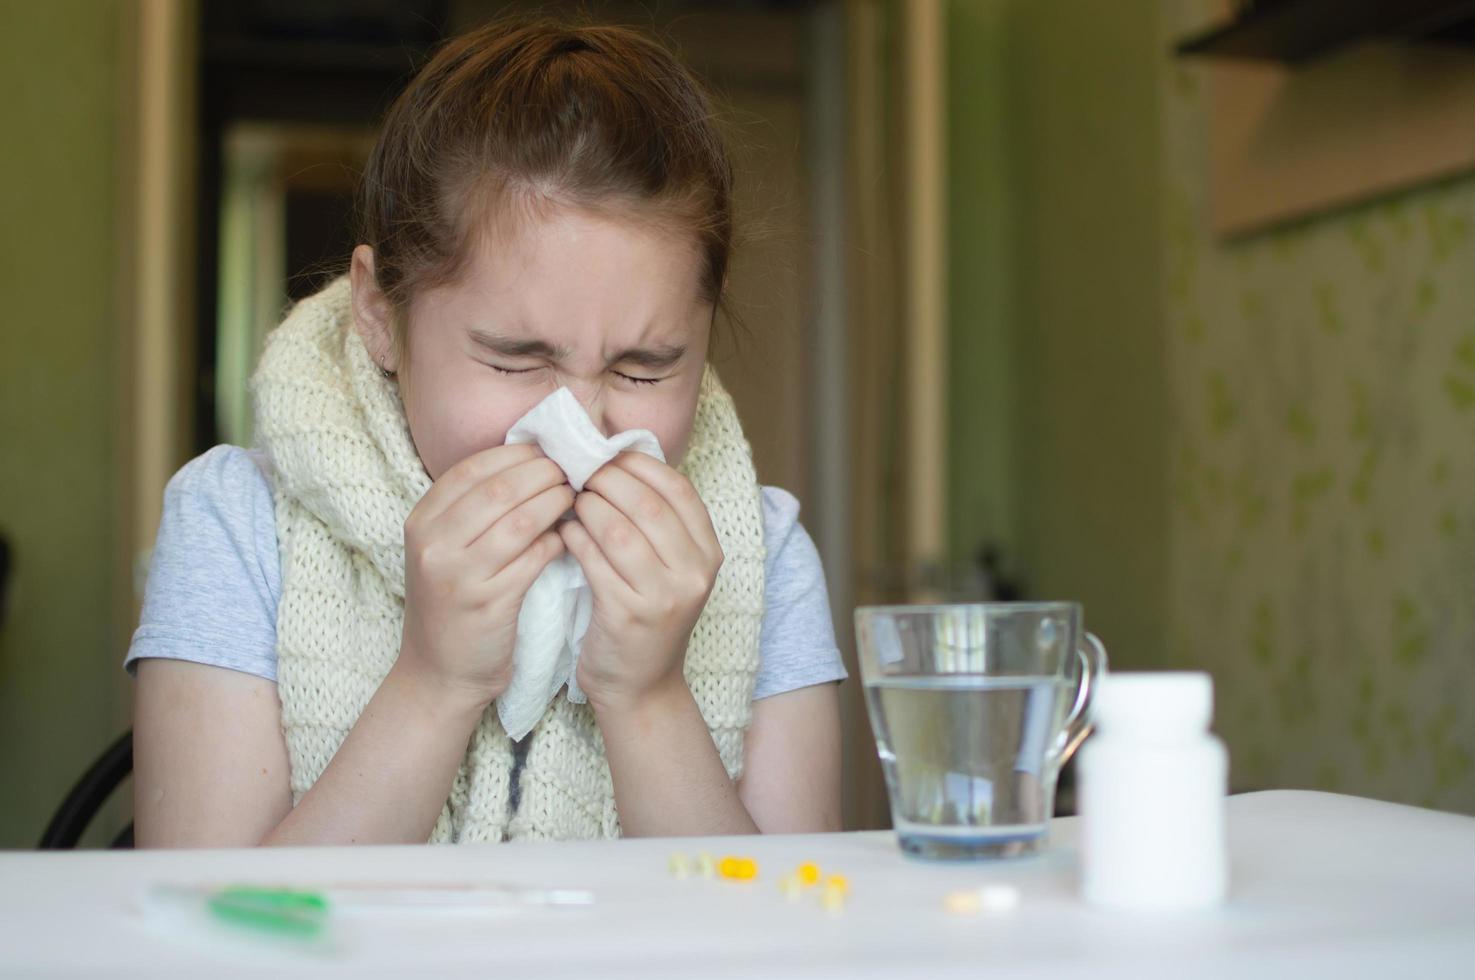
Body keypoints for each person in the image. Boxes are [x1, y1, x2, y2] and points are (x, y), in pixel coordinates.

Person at [126, 17, 845, 847]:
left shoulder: (767, 555)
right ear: (378, 313)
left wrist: (647, 697)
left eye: (644, 369)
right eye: (514, 361)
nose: (577, 426)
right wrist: (433, 682)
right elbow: (209, 943)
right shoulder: (234, 527)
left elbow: (782, 943)